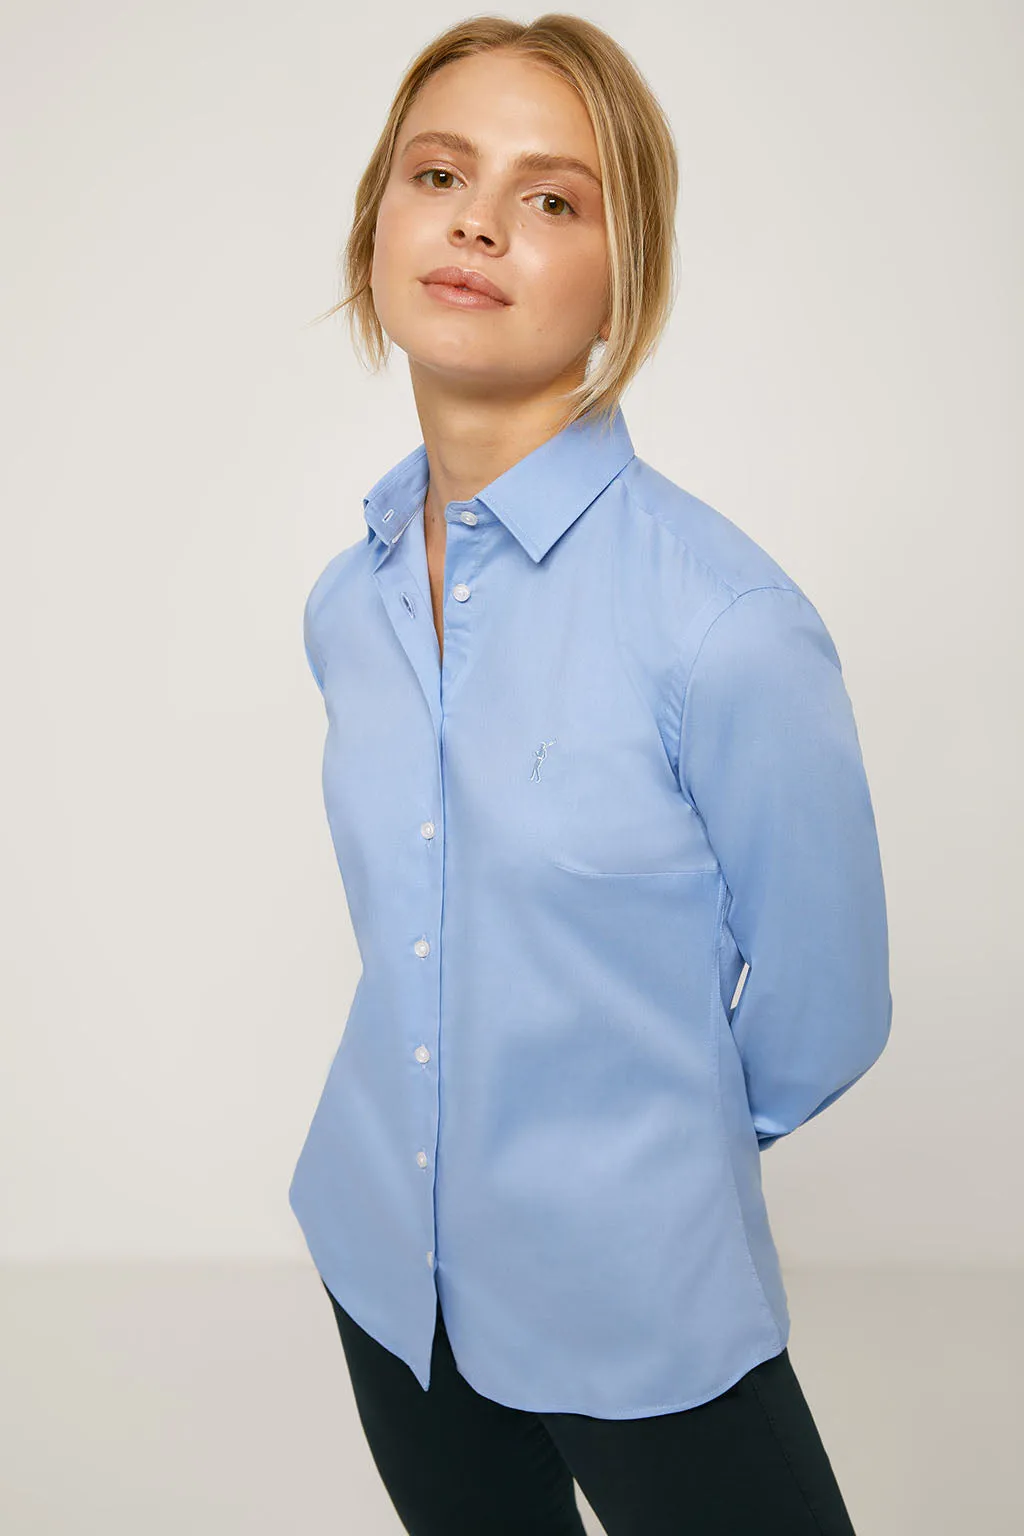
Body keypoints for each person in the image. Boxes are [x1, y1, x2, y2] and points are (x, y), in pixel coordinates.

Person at [289, 13, 892, 1535]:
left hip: (641, 1309)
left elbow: (829, 1009)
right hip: (389, 1276)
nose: (480, 218)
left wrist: (634, 1163)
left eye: (554, 197)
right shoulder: (345, 604)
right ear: (381, 224)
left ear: (628, 284)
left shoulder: (729, 628)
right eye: (439, 172)